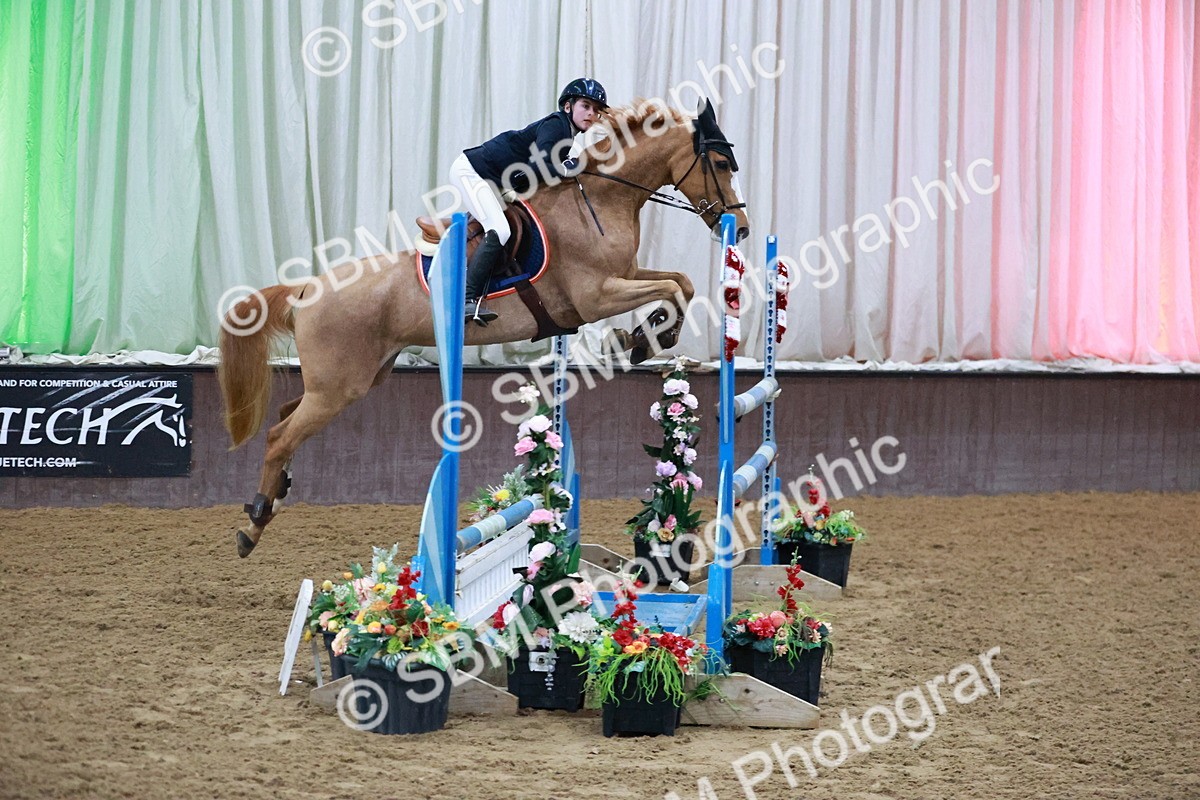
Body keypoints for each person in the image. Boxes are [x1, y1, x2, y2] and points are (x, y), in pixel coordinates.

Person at [449, 78, 608, 325]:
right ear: (568, 106)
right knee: (499, 229)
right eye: (586, 106)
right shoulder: (557, 125)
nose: (591, 113)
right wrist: (570, 167)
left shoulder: (568, 136)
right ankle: (466, 299)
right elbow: (542, 165)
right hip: (472, 172)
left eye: (596, 110)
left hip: (495, 181)